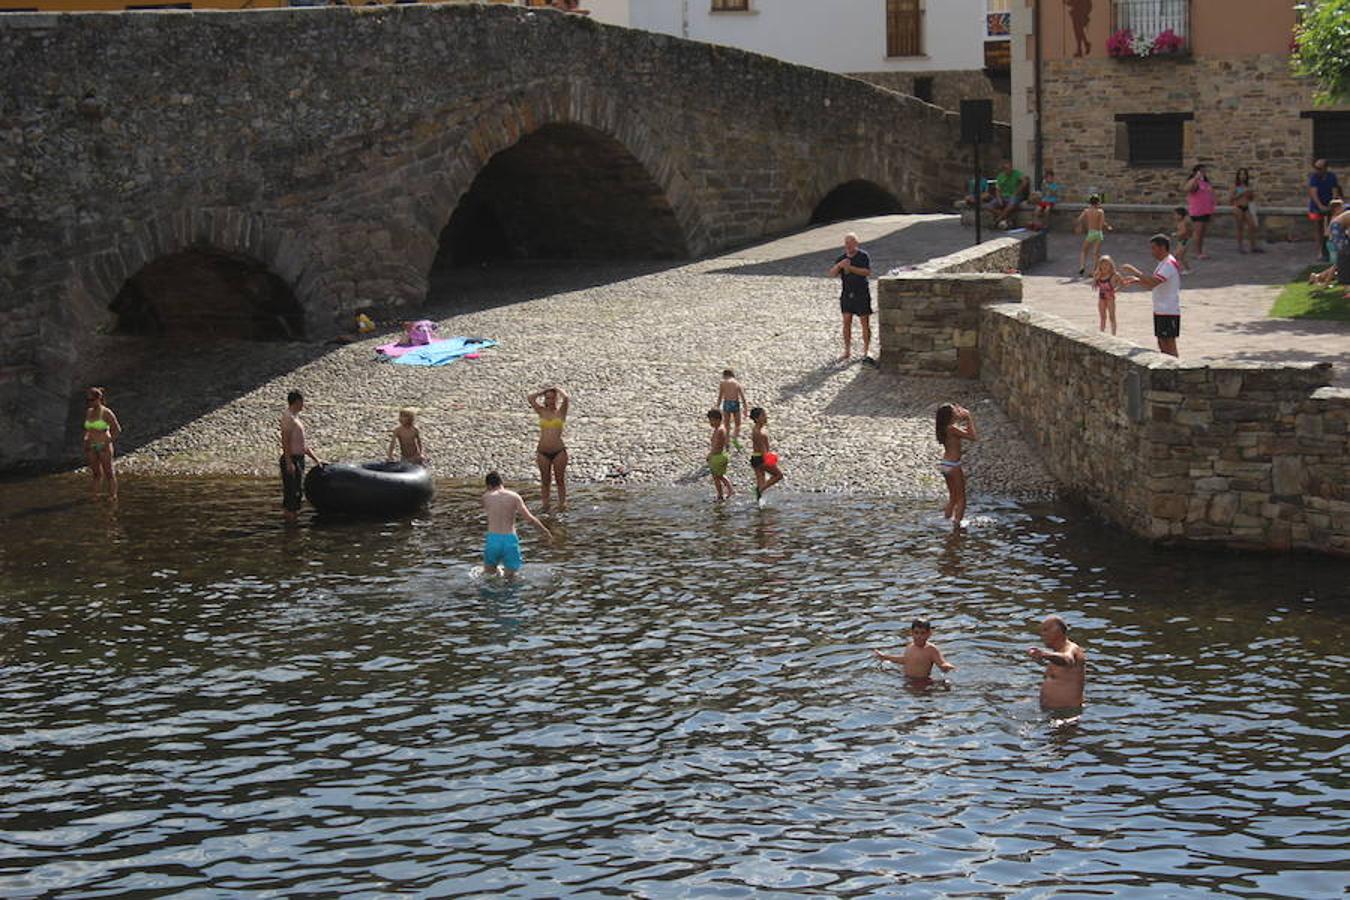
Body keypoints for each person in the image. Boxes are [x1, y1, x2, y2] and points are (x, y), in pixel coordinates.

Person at [1119, 234, 1182, 358]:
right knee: (1161, 342)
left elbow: (1153, 282)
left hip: (1168, 310)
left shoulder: (1168, 264)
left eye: (1153, 248)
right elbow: (1152, 285)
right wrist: (1137, 280)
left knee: (1169, 343)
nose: (1151, 251)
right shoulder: (1163, 263)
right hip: (1161, 310)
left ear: (1162, 247)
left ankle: (1175, 372)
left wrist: (1135, 272)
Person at [481, 471, 553, 579]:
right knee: (511, 578)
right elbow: (530, 519)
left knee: (489, 576)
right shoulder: (514, 497)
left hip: (493, 539)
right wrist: (545, 532)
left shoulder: (486, 497)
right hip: (510, 539)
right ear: (502, 482)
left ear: (488, 485)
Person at [827, 233, 873, 363]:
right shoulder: (841, 258)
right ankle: (847, 350)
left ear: (856, 244)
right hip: (847, 294)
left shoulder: (863, 256)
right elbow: (831, 274)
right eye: (846, 243)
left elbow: (867, 272)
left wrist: (850, 268)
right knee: (846, 321)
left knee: (865, 322)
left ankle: (866, 350)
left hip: (862, 293)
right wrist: (839, 266)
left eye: (851, 243)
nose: (848, 245)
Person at [279, 389, 324, 522]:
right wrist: (288, 461)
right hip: (292, 458)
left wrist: (316, 459)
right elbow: (285, 440)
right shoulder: (288, 418)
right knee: (292, 494)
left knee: (297, 493)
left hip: (299, 458)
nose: (303, 405)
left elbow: (302, 444)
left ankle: (293, 523)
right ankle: (290, 526)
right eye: (302, 402)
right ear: (298, 402)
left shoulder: (295, 418)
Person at [1028, 614, 1086, 712]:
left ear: (1058, 631)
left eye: (1046, 630)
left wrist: (1044, 655)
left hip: (1066, 714)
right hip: (1050, 712)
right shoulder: (1056, 654)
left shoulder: (1072, 648)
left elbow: (1067, 659)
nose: (1042, 634)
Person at [527, 385, 569, 511]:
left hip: (559, 451)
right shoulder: (542, 411)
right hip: (543, 451)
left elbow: (566, 398)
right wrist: (542, 392)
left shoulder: (561, 412)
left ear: (556, 399)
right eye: (547, 398)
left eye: (552, 398)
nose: (549, 401)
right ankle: (545, 505)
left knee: (560, 480)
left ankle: (562, 504)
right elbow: (530, 398)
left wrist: (557, 388)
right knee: (545, 481)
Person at [873, 618, 956, 682]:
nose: (919, 636)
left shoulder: (931, 649)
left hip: (923, 681)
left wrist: (946, 666)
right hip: (907, 679)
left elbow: (941, 663)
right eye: (916, 633)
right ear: (911, 633)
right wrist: (885, 657)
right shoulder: (910, 646)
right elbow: (904, 660)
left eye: (922, 633)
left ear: (929, 634)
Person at [935, 402, 977, 529]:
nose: (957, 412)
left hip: (945, 464)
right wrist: (968, 418)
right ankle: (957, 526)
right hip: (953, 465)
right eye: (955, 411)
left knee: (953, 498)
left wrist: (962, 419)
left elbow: (965, 433)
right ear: (950, 415)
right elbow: (973, 436)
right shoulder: (952, 428)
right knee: (961, 499)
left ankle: (946, 520)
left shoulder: (945, 428)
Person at [82, 386, 122, 500]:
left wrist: (107, 442)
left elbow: (117, 430)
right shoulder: (89, 412)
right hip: (91, 445)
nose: (89, 403)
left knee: (109, 472)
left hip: (103, 445)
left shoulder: (106, 412)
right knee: (96, 473)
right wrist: (85, 440)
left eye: (91, 400)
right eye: (87, 400)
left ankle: (113, 496)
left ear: (98, 399)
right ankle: (94, 496)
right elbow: (87, 429)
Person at [1308, 158, 1343, 261]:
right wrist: (1320, 206)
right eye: (1315, 168)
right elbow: (1313, 192)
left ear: (1325, 168)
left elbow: (1335, 191)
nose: (1316, 170)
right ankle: (1319, 251)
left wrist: (1332, 204)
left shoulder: (1331, 177)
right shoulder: (1314, 177)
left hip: (1329, 205)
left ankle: (1329, 250)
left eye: (1319, 168)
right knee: (1318, 228)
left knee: (1330, 227)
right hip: (1316, 207)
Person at [748, 407, 783, 501]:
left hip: (755, 458)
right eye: (763, 415)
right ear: (756, 419)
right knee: (779, 475)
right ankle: (761, 490)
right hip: (761, 458)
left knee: (760, 481)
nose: (765, 417)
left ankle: (759, 503)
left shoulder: (756, 429)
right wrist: (770, 460)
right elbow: (763, 450)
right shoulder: (759, 432)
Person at [1183, 163, 1216, 260]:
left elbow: (1211, 196)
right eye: (1201, 171)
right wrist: (1195, 178)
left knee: (1202, 233)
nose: (1203, 173)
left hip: (1206, 211)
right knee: (1198, 233)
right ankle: (1197, 253)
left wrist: (1212, 208)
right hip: (1197, 211)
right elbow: (1186, 189)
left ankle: (1200, 251)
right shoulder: (1194, 182)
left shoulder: (1206, 183)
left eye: (1204, 171)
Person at [988, 159, 1030, 229]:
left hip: (1013, 196)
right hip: (1003, 196)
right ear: (1003, 169)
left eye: (1010, 168)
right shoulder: (1000, 176)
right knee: (989, 206)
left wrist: (1017, 191)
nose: (1008, 170)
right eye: (1006, 168)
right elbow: (997, 190)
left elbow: (1025, 181)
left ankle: (998, 219)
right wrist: (999, 199)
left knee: (1011, 204)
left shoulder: (1016, 173)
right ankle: (1005, 217)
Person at [1075, 195, 1110, 277]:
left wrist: (1080, 226)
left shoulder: (1086, 211)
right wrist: (1107, 226)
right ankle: (1094, 271)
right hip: (1098, 233)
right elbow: (1101, 223)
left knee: (1084, 250)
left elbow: (1079, 219)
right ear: (1098, 202)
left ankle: (1082, 266)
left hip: (1091, 233)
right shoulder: (1100, 212)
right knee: (1096, 253)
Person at [1230, 168, 1263, 254]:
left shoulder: (1248, 186)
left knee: (1252, 226)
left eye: (1244, 174)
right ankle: (1240, 247)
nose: (1242, 176)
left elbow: (1251, 199)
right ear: (1238, 176)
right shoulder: (1235, 186)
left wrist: (1251, 195)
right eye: (1241, 174)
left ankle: (1253, 246)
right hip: (1238, 208)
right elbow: (1231, 199)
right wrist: (1240, 193)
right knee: (1240, 228)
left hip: (1247, 207)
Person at [1091, 255, 1124, 336]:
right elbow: (1094, 285)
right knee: (1102, 317)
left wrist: (1114, 291)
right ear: (1100, 265)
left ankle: (1113, 335)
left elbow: (1122, 284)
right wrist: (1095, 279)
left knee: (1112, 316)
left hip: (1110, 298)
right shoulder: (1098, 274)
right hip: (1101, 297)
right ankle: (1101, 333)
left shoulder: (1115, 275)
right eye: (1103, 264)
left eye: (1107, 264)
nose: (1104, 266)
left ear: (1111, 265)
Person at [706, 408, 733, 501]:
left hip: (717, 456)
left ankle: (721, 495)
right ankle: (728, 491)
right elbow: (726, 443)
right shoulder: (721, 429)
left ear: (718, 419)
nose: (710, 423)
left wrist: (710, 455)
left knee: (717, 477)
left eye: (712, 420)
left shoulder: (719, 430)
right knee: (719, 476)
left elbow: (717, 445)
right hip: (720, 455)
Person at [716, 368, 749, 443]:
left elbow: (720, 396)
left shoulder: (723, 383)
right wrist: (745, 408)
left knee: (726, 424)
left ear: (725, 375)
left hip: (727, 403)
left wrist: (717, 406)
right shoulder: (736, 383)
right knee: (737, 424)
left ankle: (727, 439)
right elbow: (742, 397)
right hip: (735, 403)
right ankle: (735, 438)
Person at [1170, 206, 1192, 272]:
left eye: (1175, 215)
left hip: (1184, 241)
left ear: (1180, 216)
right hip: (1181, 241)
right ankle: (1177, 268)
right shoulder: (1180, 222)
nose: (1174, 216)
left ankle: (1187, 269)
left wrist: (1176, 234)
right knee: (1177, 255)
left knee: (1180, 256)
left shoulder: (1183, 223)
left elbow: (1183, 232)